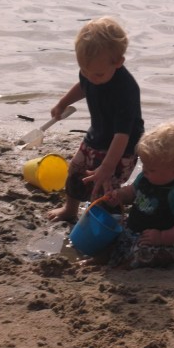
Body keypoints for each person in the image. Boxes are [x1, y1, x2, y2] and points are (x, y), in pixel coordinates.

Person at [48, 16, 144, 222]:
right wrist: (63, 103)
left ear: (118, 62)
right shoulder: (91, 70)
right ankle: (70, 210)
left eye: (98, 75)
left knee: (105, 185)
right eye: (84, 70)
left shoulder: (125, 90)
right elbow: (83, 85)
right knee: (75, 171)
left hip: (121, 148)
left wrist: (107, 167)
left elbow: (122, 135)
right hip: (96, 136)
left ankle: (112, 219)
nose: (91, 77)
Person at [104, 122, 174, 269]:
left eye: (151, 169)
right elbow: (133, 192)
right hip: (135, 230)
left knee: (145, 253)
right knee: (111, 228)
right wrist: (119, 195)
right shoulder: (146, 176)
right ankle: (105, 257)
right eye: (144, 166)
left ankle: (123, 266)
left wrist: (161, 237)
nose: (145, 171)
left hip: (162, 242)